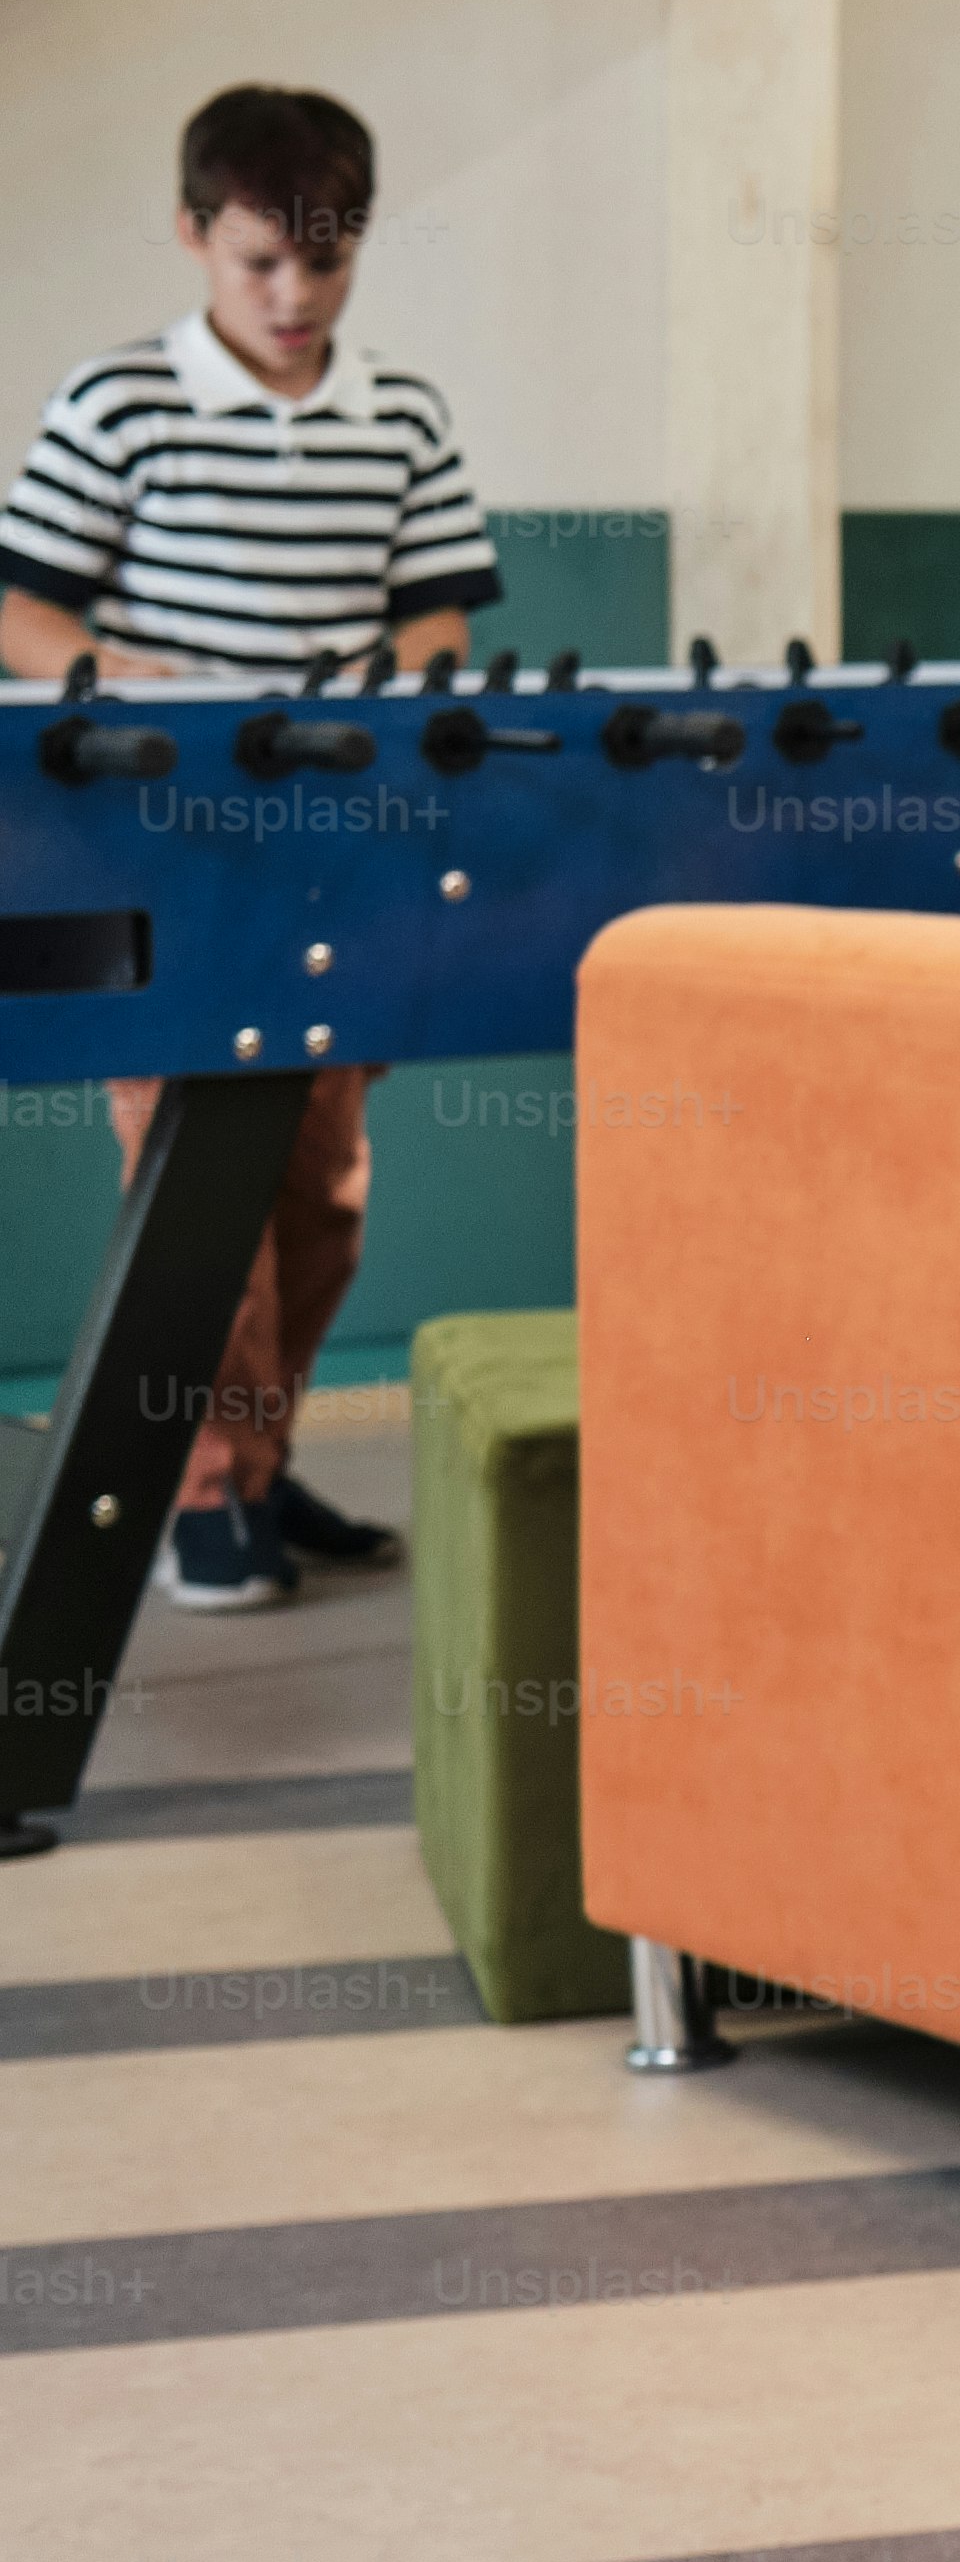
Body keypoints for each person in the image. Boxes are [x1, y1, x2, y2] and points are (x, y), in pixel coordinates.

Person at [2, 85, 501, 1613]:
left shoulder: (401, 416)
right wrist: (106, 673)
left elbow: (432, 612)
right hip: (162, 854)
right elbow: (19, 608)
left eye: (326, 265)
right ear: (195, 238)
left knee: (320, 1181)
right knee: (192, 1172)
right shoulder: (119, 403)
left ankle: (264, 1473)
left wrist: (417, 679)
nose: (295, 299)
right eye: (260, 264)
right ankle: (201, 1493)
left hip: (342, 843)